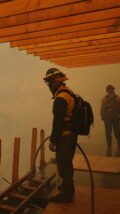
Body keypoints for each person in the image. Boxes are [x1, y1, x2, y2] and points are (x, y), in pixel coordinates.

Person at [44, 68, 77, 203]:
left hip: (65, 136)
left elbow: (57, 123)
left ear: (54, 83)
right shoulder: (68, 93)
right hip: (71, 135)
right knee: (67, 163)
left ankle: (66, 195)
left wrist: (53, 141)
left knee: (64, 165)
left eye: (49, 83)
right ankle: (69, 188)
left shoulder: (60, 99)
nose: (49, 86)